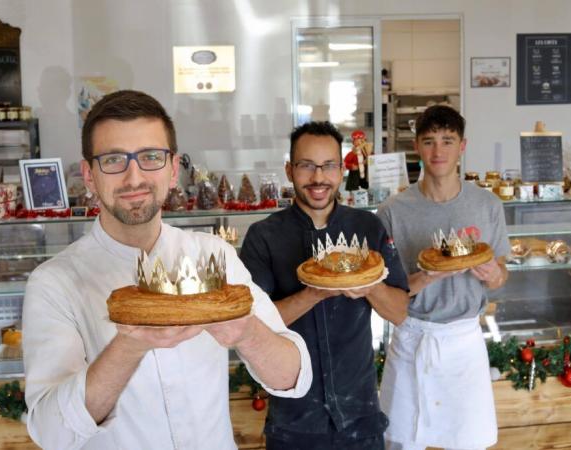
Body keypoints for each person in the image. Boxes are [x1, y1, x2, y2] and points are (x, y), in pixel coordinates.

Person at [22, 90, 313, 450]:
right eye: (114, 159)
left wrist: (247, 333)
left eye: (151, 157)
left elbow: (293, 377)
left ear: (173, 169)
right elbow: (52, 434)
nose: (134, 177)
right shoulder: (55, 283)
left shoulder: (214, 256)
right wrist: (129, 345)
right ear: (89, 176)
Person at [240, 121, 410, 450]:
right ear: (289, 170)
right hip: (294, 422)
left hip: (360, 419)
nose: (319, 178)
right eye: (307, 166)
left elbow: (401, 311)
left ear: (341, 169)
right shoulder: (264, 237)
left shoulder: (367, 227)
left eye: (329, 166)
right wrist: (315, 292)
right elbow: (253, 324)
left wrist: (369, 285)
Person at [376, 105, 511, 450]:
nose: (439, 152)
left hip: (465, 341)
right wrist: (425, 277)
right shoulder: (393, 211)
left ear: (462, 147)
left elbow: (500, 278)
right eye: (430, 141)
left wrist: (494, 273)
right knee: (403, 442)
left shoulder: (487, 205)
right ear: (417, 147)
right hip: (412, 338)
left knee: (467, 442)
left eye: (448, 141)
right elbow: (385, 293)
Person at [344, 129, 372, 198]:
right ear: (353, 142)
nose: (359, 142)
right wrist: (351, 166)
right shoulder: (352, 154)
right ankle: (352, 198)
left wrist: (369, 159)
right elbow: (345, 163)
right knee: (354, 188)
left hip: (365, 173)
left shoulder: (367, 152)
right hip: (355, 174)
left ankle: (366, 197)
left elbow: (373, 160)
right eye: (357, 140)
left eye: (361, 140)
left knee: (366, 186)